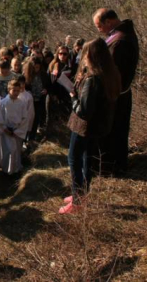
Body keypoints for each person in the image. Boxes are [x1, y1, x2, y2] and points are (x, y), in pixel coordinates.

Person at [60, 38, 121, 214]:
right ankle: (82, 194)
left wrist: (72, 96)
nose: (82, 57)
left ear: (91, 55)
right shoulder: (110, 73)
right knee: (88, 158)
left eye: (85, 53)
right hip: (99, 125)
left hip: (84, 126)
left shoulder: (93, 80)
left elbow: (84, 111)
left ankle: (77, 200)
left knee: (74, 158)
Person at [93, 8, 139, 174]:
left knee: (114, 131)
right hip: (116, 93)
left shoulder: (120, 41)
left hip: (115, 95)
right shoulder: (118, 36)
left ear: (109, 22)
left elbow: (112, 72)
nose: (98, 29)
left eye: (99, 25)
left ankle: (113, 167)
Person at [0, 79, 28, 175]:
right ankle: (6, 170)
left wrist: (17, 131)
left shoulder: (22, 103)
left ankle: (16, 169)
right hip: (6, 131)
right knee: (8, 151)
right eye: (14, 90)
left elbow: (25, 118)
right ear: (9, 90)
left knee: (16, 151)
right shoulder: (2, 103)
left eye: (18, 90)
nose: (16, 93)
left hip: (17, 131)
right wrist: (5, 129)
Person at [23, 57, 50, 140]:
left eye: (38, 67)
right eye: (34, 67)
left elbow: (48, 85)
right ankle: (25, 137)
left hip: (39, 100)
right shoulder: (26, 75)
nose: (36, 69)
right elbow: (24, 87)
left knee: (36, 119)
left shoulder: (43, 74)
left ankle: (32, 137)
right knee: (28, 119)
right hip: (29, 101)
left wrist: (46, 90)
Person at [47, 45, 73, 131]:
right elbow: (48, 81)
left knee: (62, 117)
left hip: (64, 95)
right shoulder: (52, 65)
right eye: (60, 53)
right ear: (57, 54)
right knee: (50, 117)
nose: (62, 55)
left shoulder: (70, 66)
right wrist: (52, 94)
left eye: (65, 54)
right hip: (52, 95)